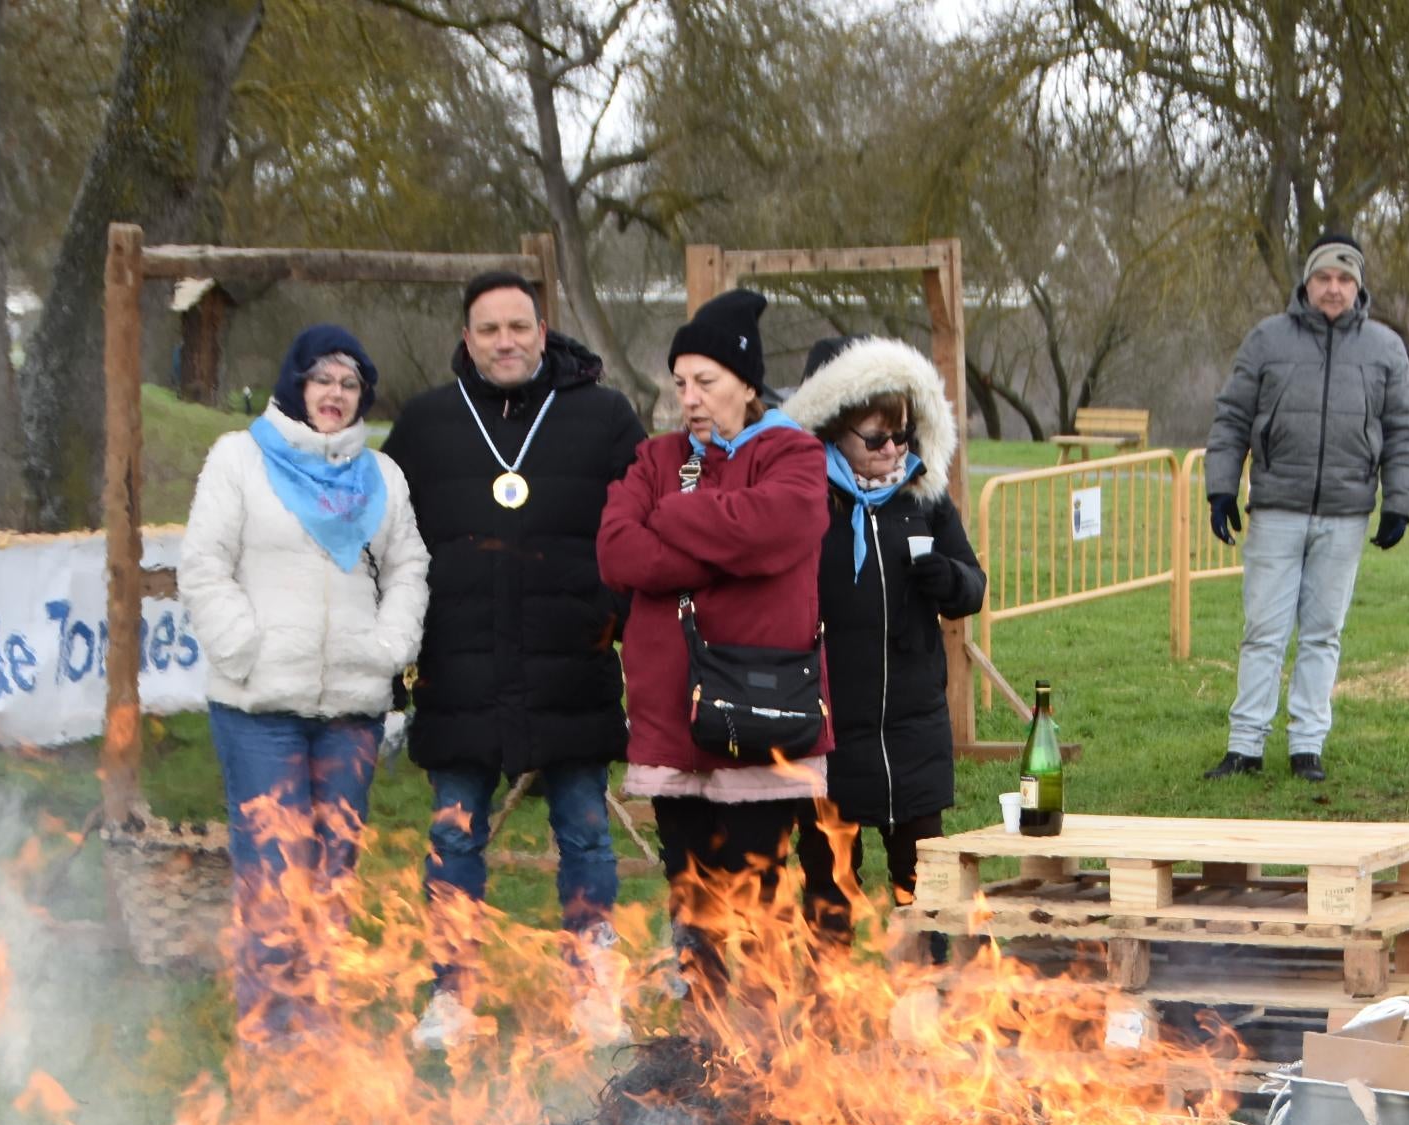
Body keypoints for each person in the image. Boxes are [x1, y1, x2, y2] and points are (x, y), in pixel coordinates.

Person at [381, 269, 647, 1050]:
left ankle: (593, 986)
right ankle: (452, 996)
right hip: (459, 670)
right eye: (488, 329)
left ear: (543, 332)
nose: (505, 341)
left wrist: (620, 625)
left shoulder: (601, 417)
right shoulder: (427, 423)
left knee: (586, 836)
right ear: (467, 339)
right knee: (455, 838)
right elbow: (386, 540)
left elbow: (638, 533)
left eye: (518, 327)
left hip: (571, 665)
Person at [176, 325, 427, 1043]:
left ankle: (318, 1017)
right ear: (296, 383)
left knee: (332, 867)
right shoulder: (241, 459)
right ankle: (268, 1022)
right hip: (259, 705)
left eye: (350, 384)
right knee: (273, 865)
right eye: (322, 380)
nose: (335, 395)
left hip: (351, 705)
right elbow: (203, 565)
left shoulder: (381, 476)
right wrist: (242, 648)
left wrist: (390, 646)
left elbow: (408, 565)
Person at [596, 287, 837, 991]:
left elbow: (777, 529)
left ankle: (760, 1052)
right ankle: (701, 1041)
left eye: (706, 382)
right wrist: (720, 542)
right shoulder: (654, 458)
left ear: (746, 384)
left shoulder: (793, 454)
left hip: (762, 709)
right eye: (679, 383)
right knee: (691, 892)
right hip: (674, 716)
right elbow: (619, 554)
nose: (689, 398)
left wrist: (672, 519)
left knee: (757, 891)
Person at [1198, 231, 1409, 785]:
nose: (1334, 288)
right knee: (1264, 631)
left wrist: (1400, 501)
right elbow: (1231, 418)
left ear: (1358, 287)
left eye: (1345, 279)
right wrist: (1221, 487)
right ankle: (1245, 745)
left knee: (1323, 632)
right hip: (1277, 507)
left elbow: (1402, 431)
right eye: (1324, 277)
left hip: (1346, 513)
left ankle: (1307, 746)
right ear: (1307, 282)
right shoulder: (1267, 340)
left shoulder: (1385, 349)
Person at [781, 332, 985, 920]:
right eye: (877, 437)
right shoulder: (802, 501)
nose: (894, 448)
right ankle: (831, 997)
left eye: (902, 433)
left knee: (921, 889)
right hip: (827, 730)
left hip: (913, 728)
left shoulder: (923, 495)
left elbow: (973, 585)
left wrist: (945, 578)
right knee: (830, 886)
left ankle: (929, 991)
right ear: (834, 432)